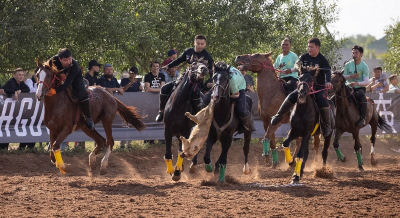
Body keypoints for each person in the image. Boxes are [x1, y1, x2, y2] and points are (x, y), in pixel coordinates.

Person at [271, 37, 333, 137]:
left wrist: (328, 81)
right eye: (308, 46)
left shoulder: (322, 59)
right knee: (292, 95)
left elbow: (327, 71)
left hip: (318, 87)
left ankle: (326, 126)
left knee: (323, 102)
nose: (309, 49)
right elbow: (297, 64)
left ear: (317, 47)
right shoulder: (304, 56)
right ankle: (279, 115)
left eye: (311, 47)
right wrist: (294, 68)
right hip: (305, 86)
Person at [155, 34, 213, 122]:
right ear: (194, 43)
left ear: (205, 44)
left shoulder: (207, 56)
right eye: (198, 43)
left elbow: (212, 71)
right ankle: (161, 112)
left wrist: (210, 81)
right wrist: (168, 66)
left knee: (197, 96)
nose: (200, 46)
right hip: (184, 78)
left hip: (197, 83)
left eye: (202, 44)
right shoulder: (188, 51)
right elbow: (179, 60)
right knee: (164, 88)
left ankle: (200, 119)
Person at [45, 48, 95, 130]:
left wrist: (55, 91)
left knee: (82, 93)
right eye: (65, 60)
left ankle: (88, 118)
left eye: (70, 59)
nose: (68, 62)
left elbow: (66, 84)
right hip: (59, 77)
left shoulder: (74, 66)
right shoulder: (53, 60)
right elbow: (45, 68)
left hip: (74, 79)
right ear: (59, 59)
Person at [204, 62, 256, 131]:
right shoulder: (218, 73)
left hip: (239, 87)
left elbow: (236, 95)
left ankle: (247, 125)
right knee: (205, 100)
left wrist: (228, 96)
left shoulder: (232, 81)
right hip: (221, 83)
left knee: (241, 110)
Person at [343, 45, 370, 127]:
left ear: (361, 54)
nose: (354, 55)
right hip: (347, 86)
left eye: (356, 53)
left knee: (361, 96)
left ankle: (362, 118)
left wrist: (357, 83)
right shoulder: (347, 65)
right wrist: (350, 76)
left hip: (359, 88)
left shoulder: (364, 66)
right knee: (335, 96)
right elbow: (343, 76)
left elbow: (366, 82)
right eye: (353, 53)